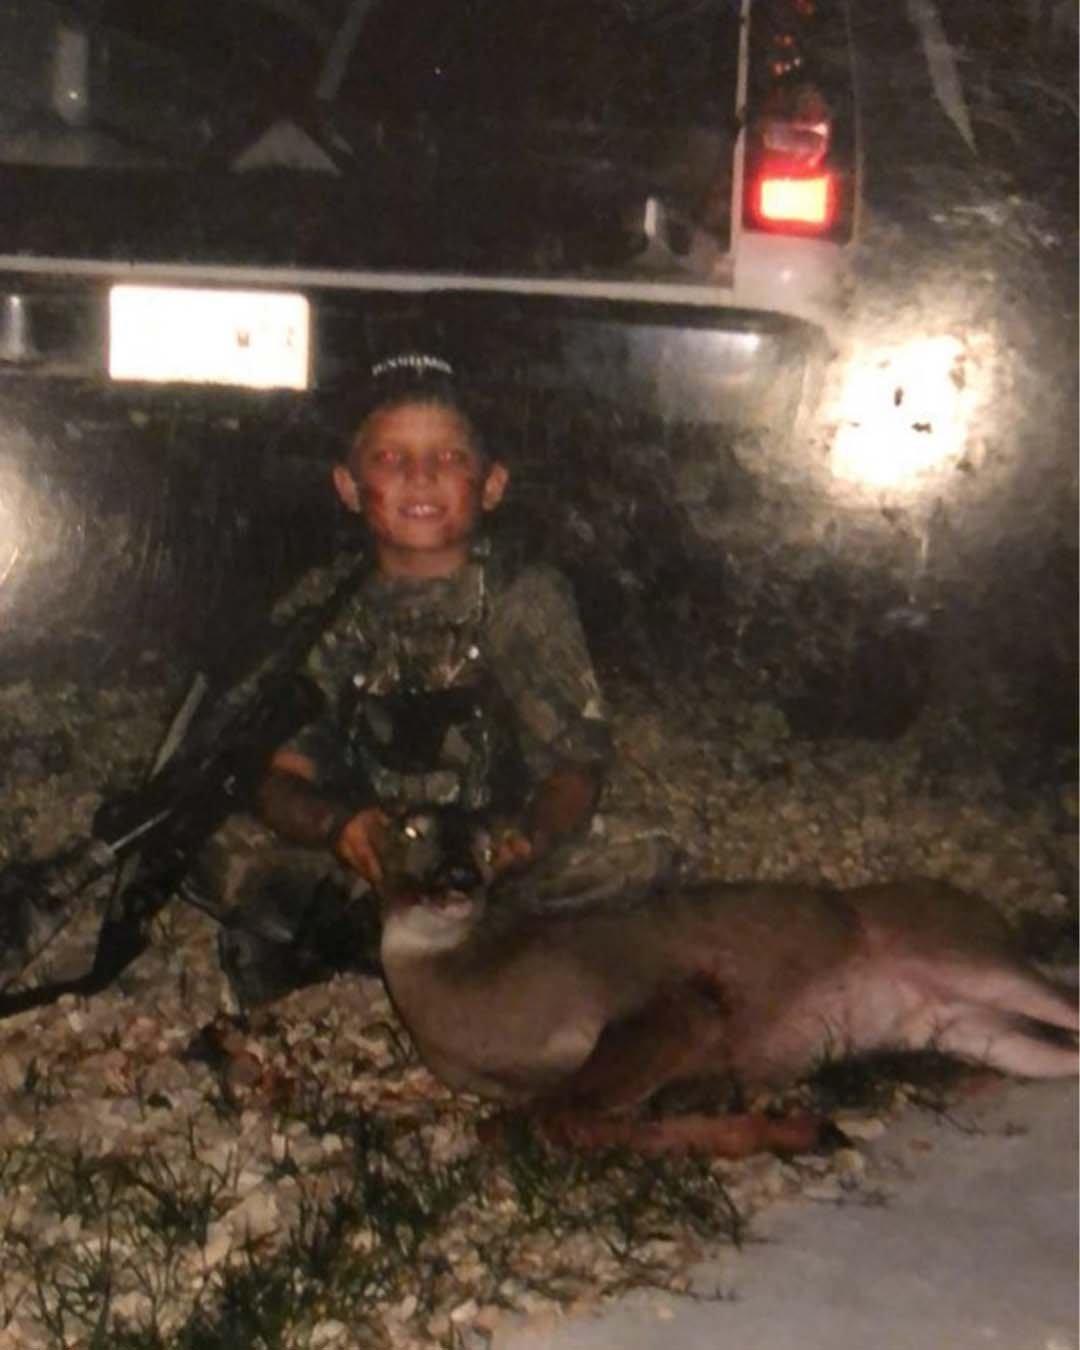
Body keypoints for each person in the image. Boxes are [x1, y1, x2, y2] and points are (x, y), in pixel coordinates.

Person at [200, 351, 676, 1009]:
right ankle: (426, 942)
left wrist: (528, 837)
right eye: (390, 459)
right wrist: (338, 828)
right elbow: (278, 776)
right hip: (377, 852)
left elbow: (574, 770)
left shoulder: (524, 598)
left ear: (492, 484)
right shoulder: (320, 605)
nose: (420, 476)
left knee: (639, 853)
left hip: (490, 855)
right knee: (220, 848)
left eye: (449, 459)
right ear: (346, 485)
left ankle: (405, 943)